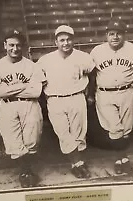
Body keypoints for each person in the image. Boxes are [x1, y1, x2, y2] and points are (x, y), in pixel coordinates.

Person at [88, 19, 133, 174]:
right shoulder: (97, 51)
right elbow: (89, 75)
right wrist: (90, 94)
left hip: (127, 93)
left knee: (126, 130)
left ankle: (122, 159)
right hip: (104, 94)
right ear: (106, 35)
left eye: (119, 34)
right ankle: (120, 158)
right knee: (115, 129)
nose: (115, 37)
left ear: (124, 35)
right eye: (111, 34)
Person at [0, 30, 45, 188]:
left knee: (32, 140)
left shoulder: (31, 66)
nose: (15, 48)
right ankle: (25, 172)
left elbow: (36, 91)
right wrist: (24, 85)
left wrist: (10, 88)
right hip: (7, 106)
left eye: (18, 45)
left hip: (30, 104)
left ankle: (27, 170)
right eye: (11, 45)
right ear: (5, 45)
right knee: (13, 141)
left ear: (23, 46)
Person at [38, 25, 95, 179]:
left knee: (79, 134)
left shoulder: (83, 57)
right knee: (64, 134)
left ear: (73, 40)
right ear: (55, 42)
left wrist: (90, 95)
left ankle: (76, 164)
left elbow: (93, 74)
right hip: (55, 100)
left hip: (77, 97)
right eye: (62, 40)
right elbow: (38, 80)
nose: (65, 43)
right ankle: (78, 163)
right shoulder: (45, 60)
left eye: (69, 39)